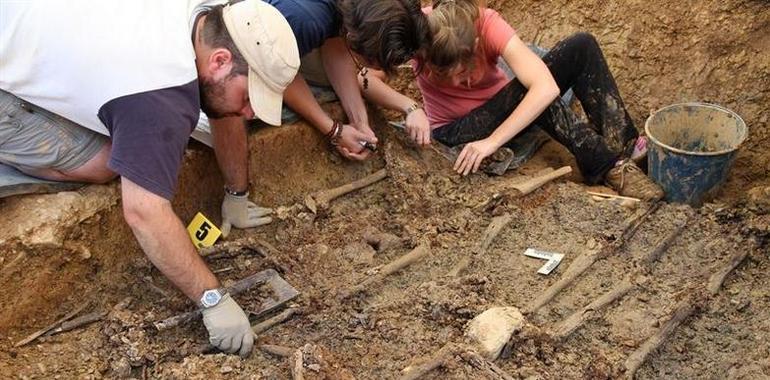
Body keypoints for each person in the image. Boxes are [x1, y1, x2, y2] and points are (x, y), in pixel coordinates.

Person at [0, 0, 300, 356]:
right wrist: (212, 297)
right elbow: (144, 212)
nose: (251, 112)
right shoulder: (161, 95)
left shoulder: (209, 19)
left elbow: (224, 106)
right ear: (220, 60)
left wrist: (237, 193)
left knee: (202, 105)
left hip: (25, 23)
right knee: (109, 160)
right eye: (251, 96)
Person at [399, 0, 664, 200]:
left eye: (462, 73)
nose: (457, 84)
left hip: (502, 113)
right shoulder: (418, 31)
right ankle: (605, 164)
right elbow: (365, 70)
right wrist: (410, 108)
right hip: (457, 130)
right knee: (532, 92)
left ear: (474, 44)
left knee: (580, 46)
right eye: (441, 75)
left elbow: (545, 87)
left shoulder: (486, 24)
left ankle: (624, 145)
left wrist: (493, 141)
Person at [211, 0, 433, 236]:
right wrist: (333, 130)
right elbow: (278, 71)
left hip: (285, 29)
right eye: (369, 61)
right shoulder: (305, 20)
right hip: (235, 27)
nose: (368, 67)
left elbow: (335, 44)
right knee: (234, 100)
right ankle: (235, 194)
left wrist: (359, 119)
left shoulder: (352, 11)